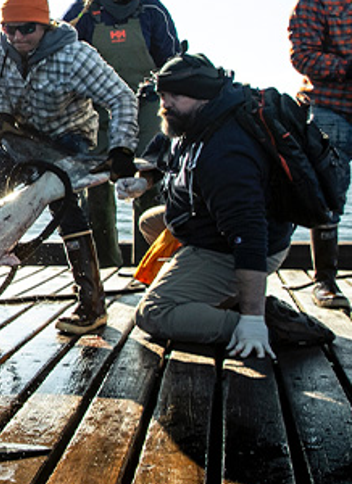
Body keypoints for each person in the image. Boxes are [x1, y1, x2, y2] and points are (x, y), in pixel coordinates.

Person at [0, 0, 139, 334]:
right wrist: (1, 116)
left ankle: (92, 304)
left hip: (69, 136)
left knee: (62, 205)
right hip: (24, 134)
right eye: (9, 28)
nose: (17, 36)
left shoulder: (76, 57)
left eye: (27, 28)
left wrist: (122, 148)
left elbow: (122, 97)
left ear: (45, 26)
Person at [126, 53, 294, 358]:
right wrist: (144, 181)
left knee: (153, 312)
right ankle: (215, 292)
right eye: (163, 95)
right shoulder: (192, 121)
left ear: (203, 95)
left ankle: (260, 323)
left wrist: (252, 319)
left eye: (176, 95)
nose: (165, 104)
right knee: (151, 223)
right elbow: (163, 153)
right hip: (207, 224)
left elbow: (249, 236)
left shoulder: (225, 152)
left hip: (239, 246)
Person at [63, 0, 181, 267]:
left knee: (151, 179)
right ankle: (104, 265)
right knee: (95, 187)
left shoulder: (153, 11)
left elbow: (173, 60)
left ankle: (151, 265)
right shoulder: (82, 12)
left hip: (148, 105)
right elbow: (60, 49)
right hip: (96, 107)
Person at [289, 0, 352, 310]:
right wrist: (346, 67)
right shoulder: (314, 4)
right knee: (328, 193)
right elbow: (302, 56)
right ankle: (325, 279)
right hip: (331, 108)